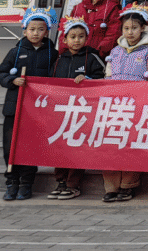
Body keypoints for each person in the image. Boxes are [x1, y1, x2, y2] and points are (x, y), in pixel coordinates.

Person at [0, 7, 57, 201]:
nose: (36, 33)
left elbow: (57, 78)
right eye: (32, 29)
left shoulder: (52, 54)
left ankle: (26, 184)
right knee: (10, 146)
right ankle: (11, 182)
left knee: (31, 147)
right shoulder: (15, 52)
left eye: (40, 29)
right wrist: (12, 80)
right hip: (14, 107)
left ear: (47, 31)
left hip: (38, 109)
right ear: (25, 30)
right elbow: (1, 73)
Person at [103, 3, 148, 202]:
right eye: (126, 28)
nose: (130, 32)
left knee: (131, 144)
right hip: (114, 105)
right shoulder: (115, 51)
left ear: (143, 27)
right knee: (111, 143)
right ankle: (110, 186)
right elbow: (108, 77)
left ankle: (128, 185)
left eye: (134, 28)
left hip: (138, 105)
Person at [48, 15, 105, 200]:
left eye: (81, 36)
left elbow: (104, 79)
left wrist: (88, 80)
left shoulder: (93, 57)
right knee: (61, 146)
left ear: (86, 38)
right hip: (62, 111)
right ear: (64, 39)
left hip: (83, 112)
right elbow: (49, 82)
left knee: (78, 146)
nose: (77, 40)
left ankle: (73, 184)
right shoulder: (59, 59)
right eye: (72, 37)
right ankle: (61, 181)